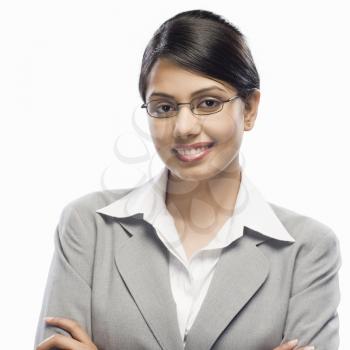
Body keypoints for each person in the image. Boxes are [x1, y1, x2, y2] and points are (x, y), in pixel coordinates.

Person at [34, 9, 341, 350]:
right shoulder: (88, 227)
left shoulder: (307, 250)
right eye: (164, 107)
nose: (184, 128)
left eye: (208, 103)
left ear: (250, 109)